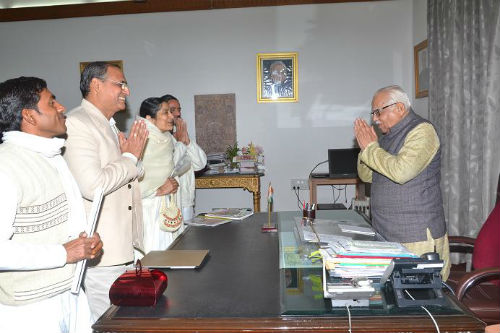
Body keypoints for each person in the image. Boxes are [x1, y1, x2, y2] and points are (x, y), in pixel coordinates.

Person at [0, 76, 103, 333]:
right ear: (29, 116)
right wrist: (64, 253)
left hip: (70, 292)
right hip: (30, 309)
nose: (61, 108)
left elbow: (66, 228)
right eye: (52, 101)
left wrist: (85, 244)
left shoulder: (51, 155)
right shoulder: (6, 165)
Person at [63, 62, 148, 321]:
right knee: (108, 321)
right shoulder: (78, 123)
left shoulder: (108, 124)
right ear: (95, 85)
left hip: (123, 246)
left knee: (126, 320)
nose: (127, 90)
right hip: (102, 250)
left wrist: (131, 158)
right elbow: (93, 186)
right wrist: (130, 158)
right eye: (120, 84)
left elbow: (134, 173)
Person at [354, 85, 450, 281]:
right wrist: (365, 148)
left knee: (420, 301)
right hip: (385, 231)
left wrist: (371, 148)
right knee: (394, 298)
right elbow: (367, 176)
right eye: (373, 113)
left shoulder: (422, 131)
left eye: (378, 112)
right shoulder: (388, 137)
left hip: (414, 235)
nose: (375, 118)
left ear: (398, 107)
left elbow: (402, 171)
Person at [137, 97, 180, 255]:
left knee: (168, 258)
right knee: (151, 260)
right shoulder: (140, 141)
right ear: (149, 118)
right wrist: (158, 191)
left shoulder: (167, 139)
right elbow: (132, 182)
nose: (171, 116)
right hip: (146, 209)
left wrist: (171, 184)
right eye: (165, 113)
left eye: (171, 112)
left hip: (164, 208)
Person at [160, 94, 207, 221]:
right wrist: (180, 143)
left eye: (179, 109)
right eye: (172, 110)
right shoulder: (159, 138)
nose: (176, 114)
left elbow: (201, 164)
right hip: (168, 201)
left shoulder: (181, 134)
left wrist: (187, 142)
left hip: (186, 201)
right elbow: (170, 168)